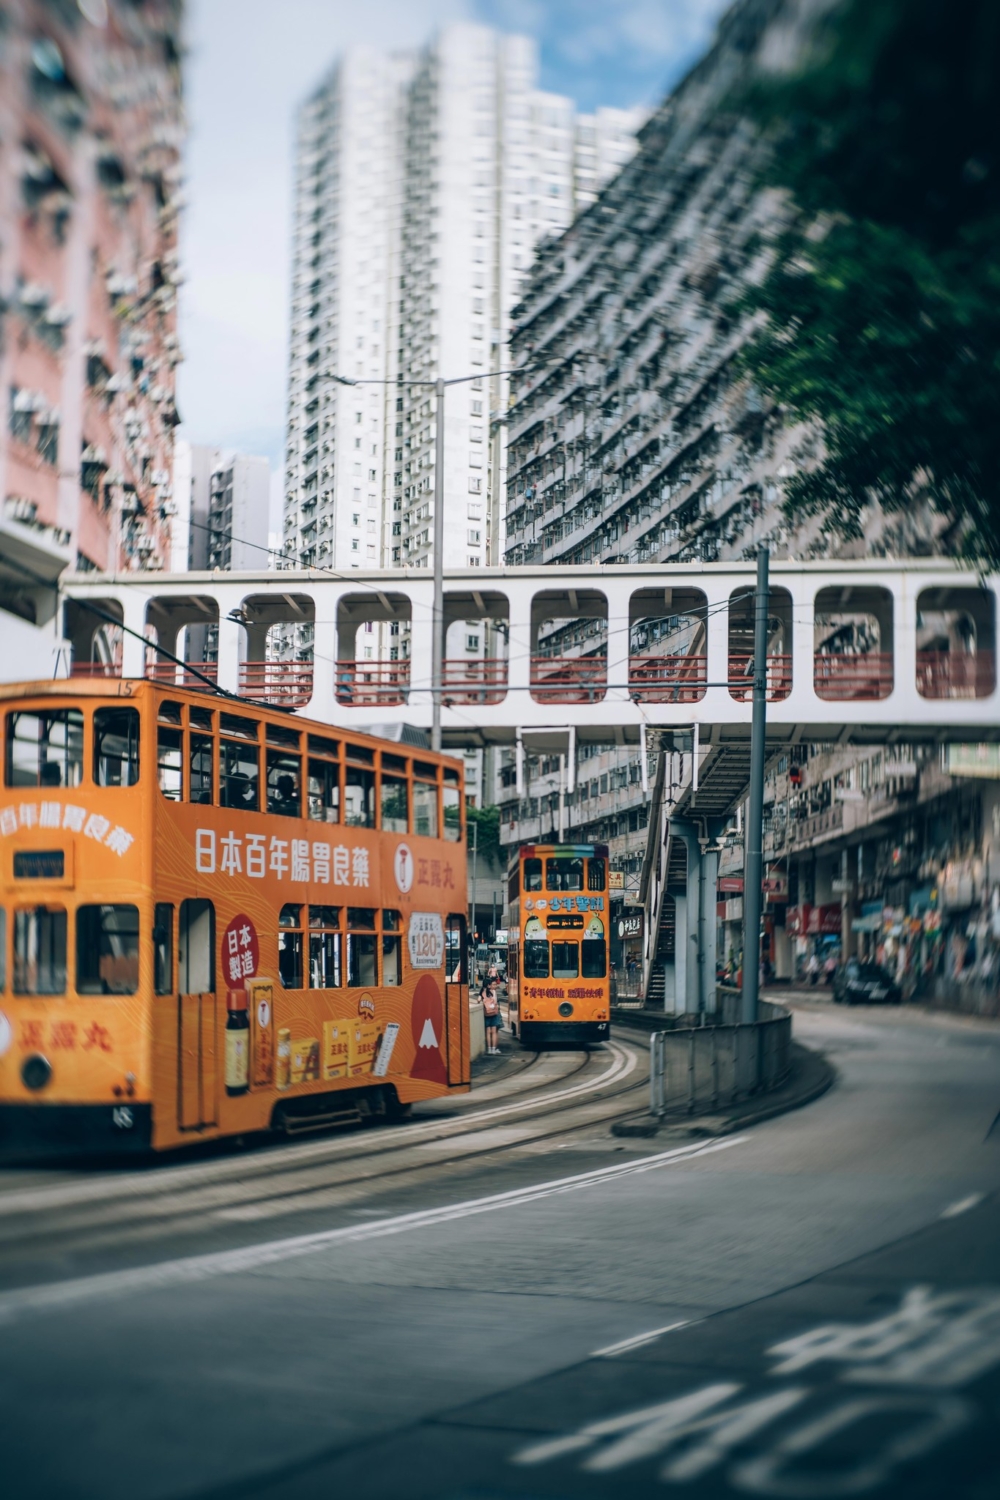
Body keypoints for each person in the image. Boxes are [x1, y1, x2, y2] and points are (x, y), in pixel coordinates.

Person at [481, 981, 501, 1055]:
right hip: (493, 1013)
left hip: (486, 1014)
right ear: (489, 985)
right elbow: (495, 1002)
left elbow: (479, 1000)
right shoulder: (493, 992)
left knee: (488, 1032)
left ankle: (489, 1049)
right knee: (494, 1032)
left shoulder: (482, 992)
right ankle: (493, 1049)